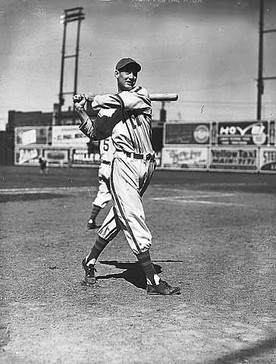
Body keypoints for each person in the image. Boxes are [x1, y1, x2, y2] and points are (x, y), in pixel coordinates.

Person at [73, 57, 180, 295]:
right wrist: (82, 111)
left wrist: (93, 98)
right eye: (126, 72)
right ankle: (152, 280)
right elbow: (94, 132)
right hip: (123, 165)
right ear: (116, 74)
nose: (131, 77)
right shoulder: (109, 109)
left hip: (147, 165)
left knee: (118, 217)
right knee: (132, 214)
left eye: (134, 73)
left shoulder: (140, 95)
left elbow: (119, 100)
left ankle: (89, 261)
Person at [87, 137, 114, 229]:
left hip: (103, 166)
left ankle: (91, 219)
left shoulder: (104, 131)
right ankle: (122, 222)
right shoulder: (117, 130)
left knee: (102, 194)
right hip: (113, 166)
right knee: (124, 195)